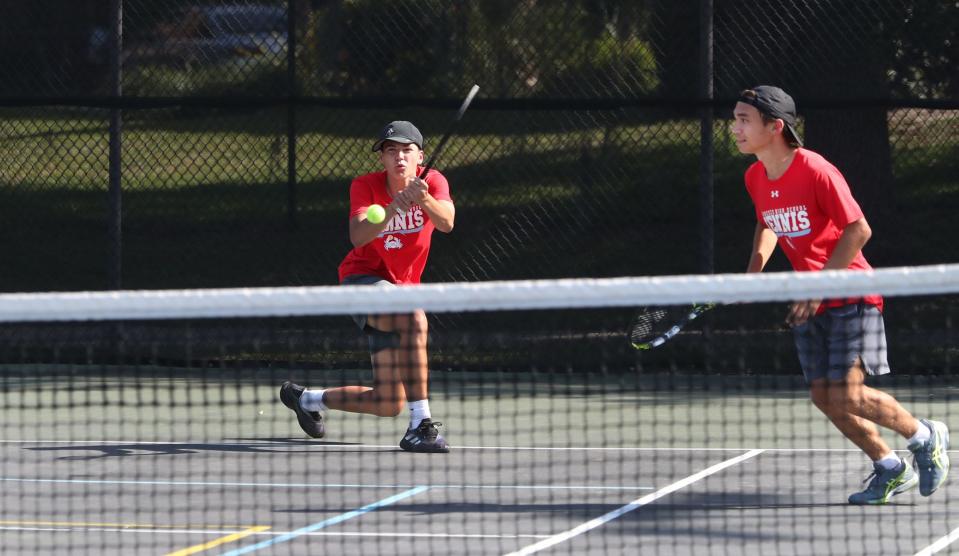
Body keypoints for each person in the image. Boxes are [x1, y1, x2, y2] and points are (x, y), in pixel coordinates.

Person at [732, 85, 949, 504]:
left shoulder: (815, 169)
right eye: (735, 118)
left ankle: (925, 435)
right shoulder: (755, 175)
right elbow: (768, 222)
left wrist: (821, 286)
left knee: (846, 393)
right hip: (810, 300)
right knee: (822, 396)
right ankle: (889, 467)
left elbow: (859, 230)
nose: (735, 127)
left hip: (851, 294)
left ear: (774, 127)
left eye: (744, 119)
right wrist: (754, 269)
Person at [280, 120, 455, 453]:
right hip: (363, 281)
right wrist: (392, 209)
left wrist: (424, 200)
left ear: (421, 156)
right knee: (415, 319)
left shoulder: (434, 181)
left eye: (407, 150)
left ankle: (305, 399)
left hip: (401, 291)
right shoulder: (364, 185)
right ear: (382, 158)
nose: (399, 158)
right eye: (391, 151)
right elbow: (358, 236)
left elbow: (446, 222)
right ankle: (421, 424)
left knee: (387, 402)